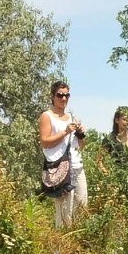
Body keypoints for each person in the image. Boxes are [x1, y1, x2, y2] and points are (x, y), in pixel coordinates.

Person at [38, 80, 88, 229]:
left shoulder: (71, 117)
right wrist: (65, 132)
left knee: (82, 206)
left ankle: (79, 239)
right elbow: (45, 142)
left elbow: (81, 146)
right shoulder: (47, 116)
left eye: (67, 95)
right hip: (60, 167)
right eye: (60, 95)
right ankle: (62, 241)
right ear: (53, 96)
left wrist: (81, 134)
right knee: (65, 212)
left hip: (77, 166)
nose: (64, 98)